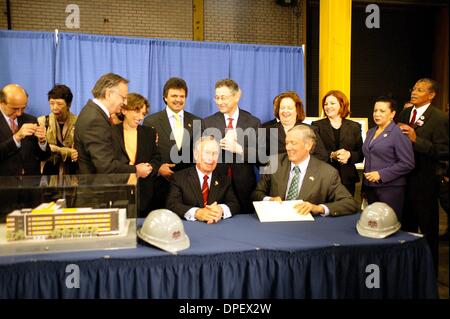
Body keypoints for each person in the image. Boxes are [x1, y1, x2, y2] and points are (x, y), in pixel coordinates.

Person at [398, 78, 449, 273]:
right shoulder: (404, 113)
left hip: (426, 183)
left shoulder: (439, 118)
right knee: (406, 229)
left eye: (420, 90)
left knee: (428, 231)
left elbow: (444, 151)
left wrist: (415, 139)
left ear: (431, 95)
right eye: (414, 88)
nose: (414, 92)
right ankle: (408, 270)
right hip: (403, 181)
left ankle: (430, 274)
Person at [252, 125, 359, 216]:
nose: (288, 147)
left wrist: (318, 208)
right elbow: (257, 193)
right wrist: (269, 200)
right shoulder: (275, 162)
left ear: (308, 145)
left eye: (293, 143)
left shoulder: (327, 173)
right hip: (276, 223)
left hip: (308, 229)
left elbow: (350, 203)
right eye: (286, 143)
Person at [74, 73, 152, 178]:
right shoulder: (95, 120)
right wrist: (136, 169)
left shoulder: (94, 113)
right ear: (108, 94)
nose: (125, 102)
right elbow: (105, 166)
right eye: (123, 98)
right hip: (97, 190)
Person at [143, 77, 202, 210]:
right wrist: (158, 169)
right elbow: (146, 154)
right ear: (165, 97)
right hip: (159, 186)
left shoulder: (197, 121)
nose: (178, 99)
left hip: (188, 188)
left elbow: (199, 153)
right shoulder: (150, 122)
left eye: (182, 96)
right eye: (174, 95)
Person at [203, 79, 261, 213]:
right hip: (216, 187)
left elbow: (262, 158)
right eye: (217, 98)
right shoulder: (207, 122)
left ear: (236, 96)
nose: (219, 102)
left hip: (245, 188)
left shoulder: (253, 122)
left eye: (223, 97)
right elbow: (201, 154)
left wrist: (239, 149)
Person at [362, 96, 414, 219]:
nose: (377, 114)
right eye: (375, 110)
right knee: (373, 224)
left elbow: (408, 163)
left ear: (392, 114)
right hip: (370, 188)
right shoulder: (371, 131)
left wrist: (381, 174)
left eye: (382, 111)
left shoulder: (399, 133)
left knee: (388, 224)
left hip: (390, 189)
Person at [166, 136, 240, 223]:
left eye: (215, 154)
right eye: (207, 153)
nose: (211, 159)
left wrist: (221, 209)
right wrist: (196, 213)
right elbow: (172, 205)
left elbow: (234, 204)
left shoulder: (224, 180)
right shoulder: (179, 178)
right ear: (196, 155)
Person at [113, 93, 162, 217]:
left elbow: (157, 158)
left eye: (143, 113)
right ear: (124, 110)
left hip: (144, 195)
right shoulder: (110, 132)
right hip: (117, 193)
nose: (140, 117)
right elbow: (107, 163)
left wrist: (150, 168)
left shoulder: (149, 133)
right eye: (136, 111)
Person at [311, 90, 363, 196]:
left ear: (342, 104)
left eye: (332, 103)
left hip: (348, 179)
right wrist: (331, 155)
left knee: (346, 209)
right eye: (325, 104)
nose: (328, 106)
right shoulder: (317, 125)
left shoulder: (354, 126)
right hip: (323, 177)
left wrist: (349, 155)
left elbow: (361, 154)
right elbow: (314, 152)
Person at [262, 91, 328, 162]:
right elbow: (260, 159)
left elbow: (322, 156)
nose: (285, 111)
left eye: (289, 108)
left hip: (305, 172)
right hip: (276, 172)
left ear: (297, 110)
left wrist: (302, 164)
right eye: (282, 108)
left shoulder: (310, 130)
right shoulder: (266, 131)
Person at [0, 84, 50, 176]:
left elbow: (44, 156)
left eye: (23, 108)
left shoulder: (31, 120)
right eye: (14, 109)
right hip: (4, 185)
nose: (19, 113)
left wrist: (42, 142)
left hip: (31, 185)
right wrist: (16, 138)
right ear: (2, 103)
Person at [37, 84, 78, 176]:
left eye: (59, 104)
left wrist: (55, 149)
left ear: (69, 104)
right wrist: (67, 151)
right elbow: (41, 150)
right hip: (47, 173)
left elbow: (77, 152)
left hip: (72, 172)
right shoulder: (42, 121)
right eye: (51, 103)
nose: (54, 107)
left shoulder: (79, 122)